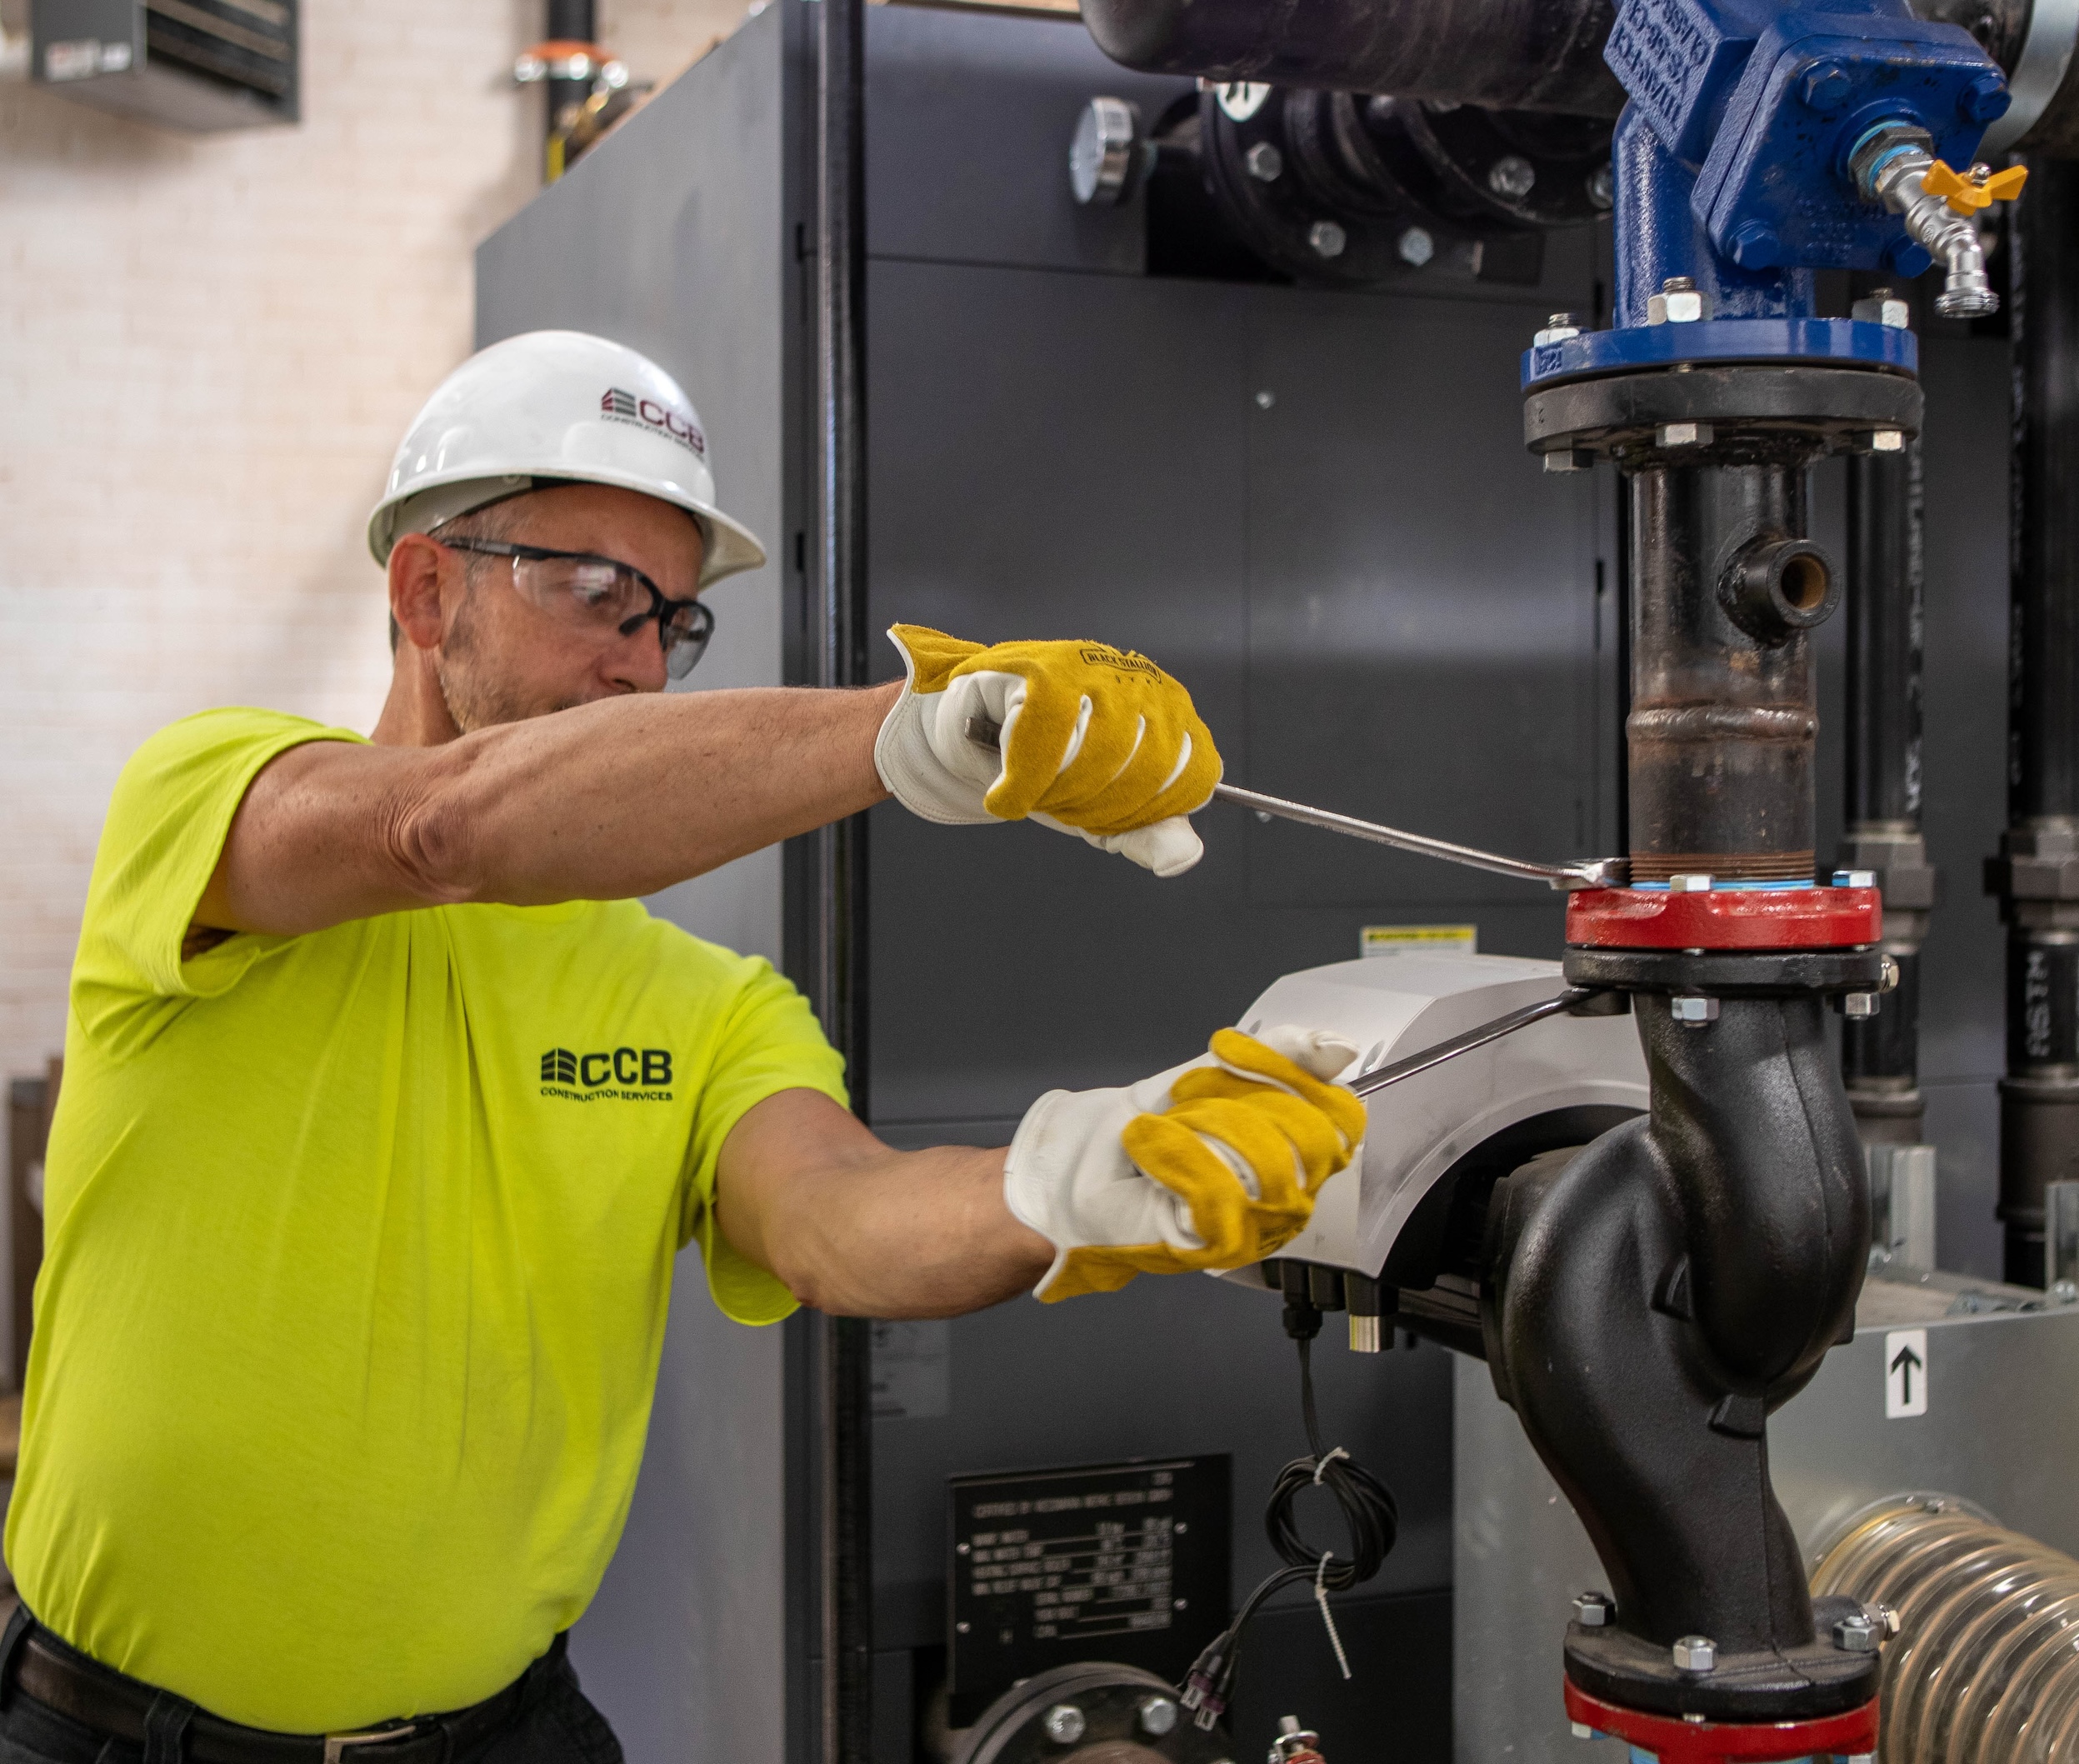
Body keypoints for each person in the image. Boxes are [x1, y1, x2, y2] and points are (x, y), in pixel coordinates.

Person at [2, 332, 1365, 1761]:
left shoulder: (706, 1002)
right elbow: (446, 824)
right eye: (597, 591)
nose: (642, 657)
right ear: (423, 588)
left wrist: (1078, 1181)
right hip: (113, 1737)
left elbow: (837, 1222)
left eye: (673, 619)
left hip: (502, 1735)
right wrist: (907, 736)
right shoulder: (209, 804)